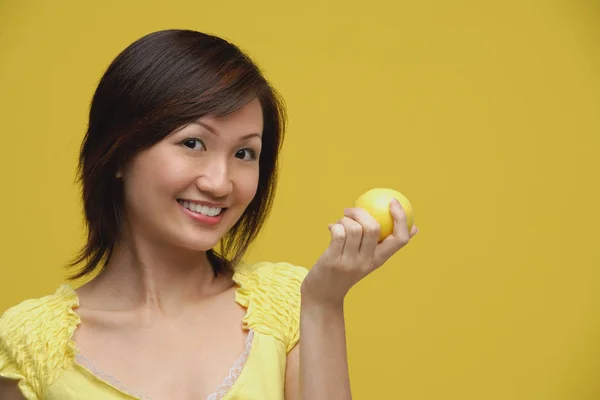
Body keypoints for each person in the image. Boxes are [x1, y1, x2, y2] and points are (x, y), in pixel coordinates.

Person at [0, 29, 418, 400]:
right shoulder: (31, 344)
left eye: (244, 153)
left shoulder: (290, 303)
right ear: (119, 151)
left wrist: (324, 303)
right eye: (193, 143)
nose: (220, 183)